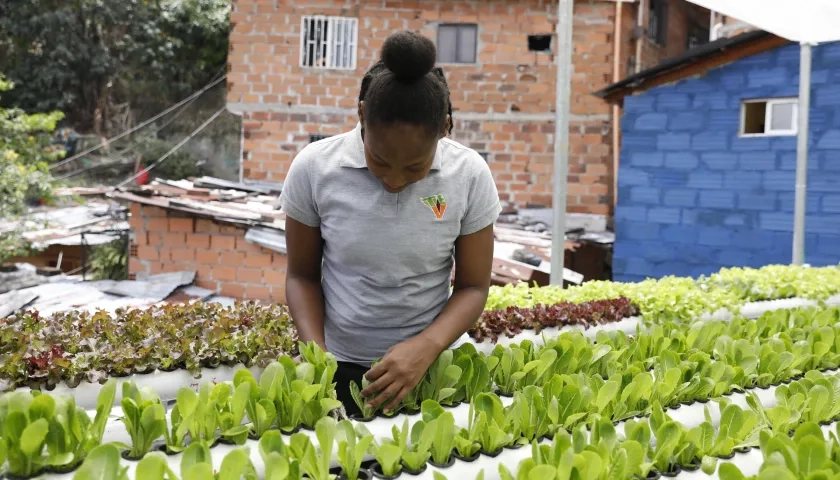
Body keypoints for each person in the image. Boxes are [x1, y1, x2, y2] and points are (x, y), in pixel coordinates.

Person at [281, 30, 501, 416]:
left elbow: (473, 287)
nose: (395, 180)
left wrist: (427, 347)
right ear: (362, 114)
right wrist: (317, 361)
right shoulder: (315, 167)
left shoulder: (468, 174)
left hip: (430, 371)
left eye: (416, 167)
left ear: (445, 128)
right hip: (337, 368)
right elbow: (301, 276)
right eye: (379, 161)